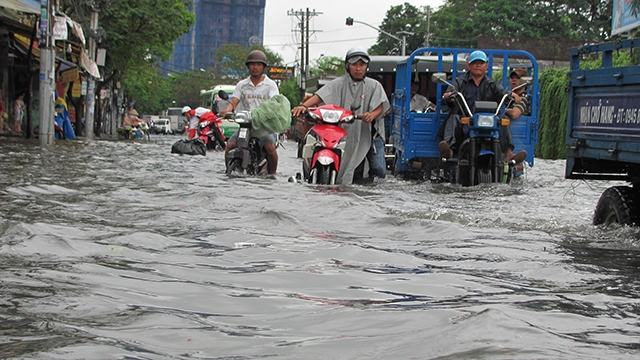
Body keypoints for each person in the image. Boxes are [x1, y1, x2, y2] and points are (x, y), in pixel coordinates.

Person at [291, 48, 390, 184]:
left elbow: (382, 104)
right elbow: (320, 96)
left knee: (379, 169)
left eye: (362, 65)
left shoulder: (374, 85)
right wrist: (304, 106)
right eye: (354, 64)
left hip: (366, 132)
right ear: (347, 66)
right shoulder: (338, 83)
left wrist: (372, 114)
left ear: (367, 67)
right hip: (341, 132)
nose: (358, 68)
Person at [438, 50, 509, 159]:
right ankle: (449, 150)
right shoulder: (459, 81)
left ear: (486, 66)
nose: (478, 65)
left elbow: (503, 94)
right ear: (469, 65)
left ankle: (508, 153)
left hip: (487, 121)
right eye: (474, 63)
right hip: (466, 121)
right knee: (453, 117)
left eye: (481, 63)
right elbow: (451, 91)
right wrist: (448, 95)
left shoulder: (492, 84)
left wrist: (511, 96)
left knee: (503, 120)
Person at [221, 49, 280, 175]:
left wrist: (269, 114)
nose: (255, 67)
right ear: (248, 66)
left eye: (258, 64)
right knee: (229, 145)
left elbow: (275, 103)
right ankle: (228, 171)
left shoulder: (271, 85)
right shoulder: (242, 84)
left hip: (264, 126)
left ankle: (272, 174)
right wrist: (227, 111)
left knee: (270, 148)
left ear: (263, 67)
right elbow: (234, 102)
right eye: (252, 64)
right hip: (245, 125)